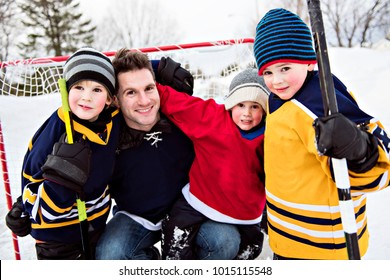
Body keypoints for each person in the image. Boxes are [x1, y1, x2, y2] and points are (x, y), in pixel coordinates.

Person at [253, 8, 390, 259]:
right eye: (268, 72)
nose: (277, 81)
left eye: (285, 68)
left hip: (323, 248)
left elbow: (381, 167)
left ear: (309, 61)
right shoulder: (279, 98)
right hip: (289, 237)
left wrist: (359, 149)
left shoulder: (318, 103)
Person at [95, 50, 242, 260]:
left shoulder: (181, 115)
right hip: (137, 216)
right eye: (131, 92)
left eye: (149, 88)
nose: (144, 100)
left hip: (190, 210)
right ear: (115, 100)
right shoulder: (108, 132)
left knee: (224, 241)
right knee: (110, 254)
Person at [10, 47, 121, 260]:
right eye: (79, 87)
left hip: (94, 229)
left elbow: (130, 80)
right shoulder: (53, 135)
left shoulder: (113, 120)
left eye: (97, 90)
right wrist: (60, 183)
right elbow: (32, 187)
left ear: (109, 98)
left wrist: (158, 68)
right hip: (56, 239)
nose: (86, 97)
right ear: (66, 90)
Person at [158, 67, 270, 260]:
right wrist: (146, 81)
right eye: (241, 104)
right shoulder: (213, 118)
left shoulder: (271, 135)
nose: (247, 114)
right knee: (175, 235)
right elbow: (179, 104)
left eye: (255, 106)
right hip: (200, 201)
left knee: (250, 250)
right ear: (231, 103)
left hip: (245, 212)